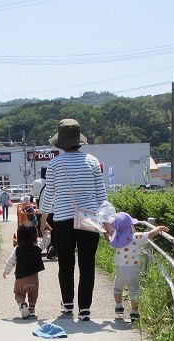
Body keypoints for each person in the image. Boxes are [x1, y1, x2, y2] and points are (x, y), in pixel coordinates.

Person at [39, 119, 108, 321]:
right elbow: (101, 196)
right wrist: (107, 221)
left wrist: (43, 219)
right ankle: (85, 308)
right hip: (89, 220)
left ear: (60, 141)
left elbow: (49, 194)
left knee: (66, 264)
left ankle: (68, 304)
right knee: (87, 264)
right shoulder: (93, 162)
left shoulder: (54, 164)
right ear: (79, 140)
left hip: (62, 220)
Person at [108, 212, 169, 321]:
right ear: (131, 226)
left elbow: (109, 238)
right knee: (134, 291)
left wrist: (105, 232)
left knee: (117, 288)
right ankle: (134, 312)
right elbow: (150, 234)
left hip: (120, 270)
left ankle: (119, 305)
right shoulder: (137, 237)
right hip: (133, 271)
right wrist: (159, 228)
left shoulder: (116, 239)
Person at [2, 221, 51, 318]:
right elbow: (46, 241)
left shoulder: (17, 249)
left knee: (19, 294)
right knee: (33, 295)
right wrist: (47, 232)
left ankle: (21, 304)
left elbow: (10, 262)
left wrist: (5, 272)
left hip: (20, 279)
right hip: (34, 279)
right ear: (35, 236)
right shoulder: (37, 247)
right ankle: (32, 309)